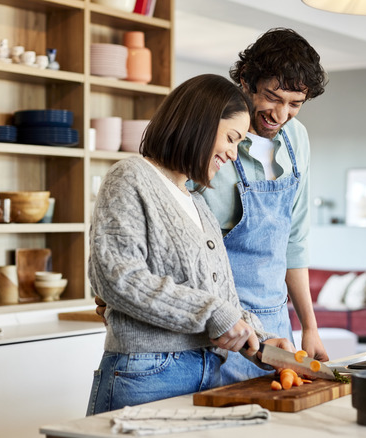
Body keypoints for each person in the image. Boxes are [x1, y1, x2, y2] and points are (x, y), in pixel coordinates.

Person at [86, 74, 291, 415]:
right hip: (148, 373)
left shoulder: (198, 204)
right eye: (231, 138)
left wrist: (260, 339)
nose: (232, 153)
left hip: (208, 370)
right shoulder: (130, 177)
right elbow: (116, 278)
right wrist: (214, 314)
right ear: (200, 123)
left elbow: (221, 299)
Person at [203, 28, 330, 385]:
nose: (281, 114)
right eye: (272, 98)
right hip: (221, 327)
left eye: (295, 104)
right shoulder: (213, 137)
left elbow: (295, 240)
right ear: (246, 80)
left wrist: (309, 327)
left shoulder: (297, 138)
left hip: (275, 327)